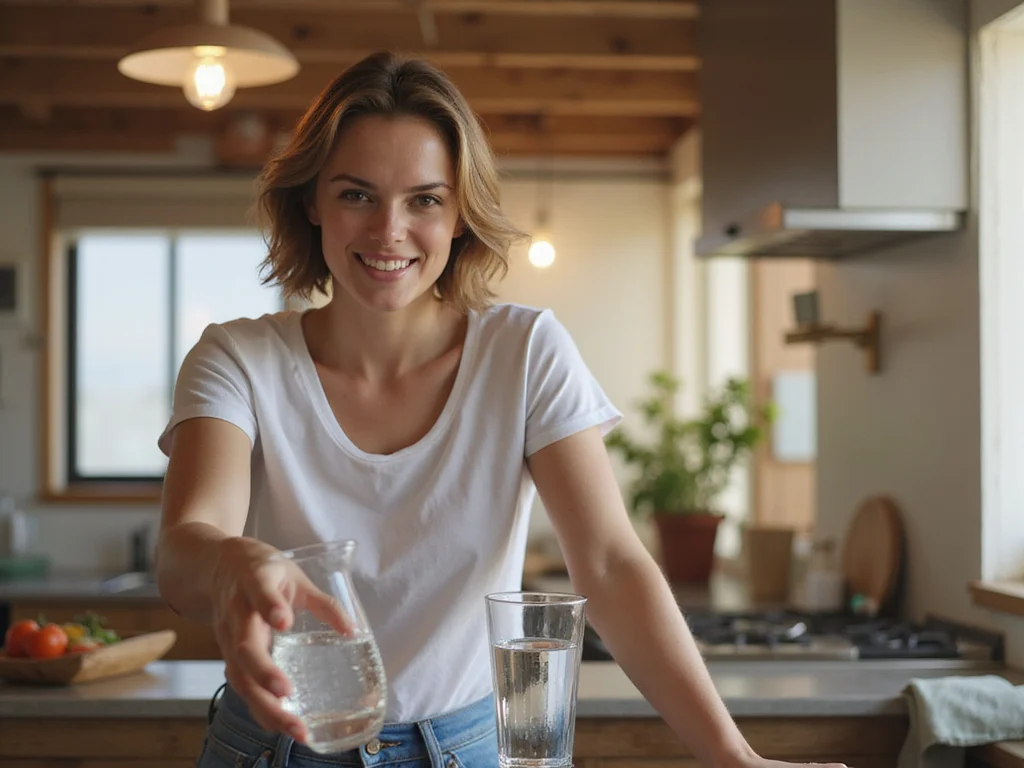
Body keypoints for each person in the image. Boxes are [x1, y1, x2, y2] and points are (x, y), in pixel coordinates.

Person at [156, 51, 846, 768]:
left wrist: (732, 756)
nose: (389, 230)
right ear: (311, 203)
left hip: (469, 748)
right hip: (276, 748)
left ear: (460, 215)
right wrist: (229, 561)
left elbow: (609, 565)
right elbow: (182, 553)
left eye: (425, 200)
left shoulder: (526, 353)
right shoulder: (238, 359)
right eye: (357, 194)